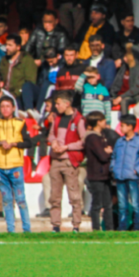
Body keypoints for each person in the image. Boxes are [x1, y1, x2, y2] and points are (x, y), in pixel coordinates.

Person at [0, 96, 33, 233]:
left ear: (13, 108)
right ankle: (10, 229)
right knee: (6, 200)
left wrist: (14, 144)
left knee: (20, 199)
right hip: (0, 167)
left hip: (15, 166)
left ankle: (27, 229)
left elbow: (28, 143)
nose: (5, 109)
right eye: (2, 106)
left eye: (8, 106)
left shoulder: (20, 123)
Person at [47, 91, 87, 233]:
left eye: (58, 104)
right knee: (55, 196)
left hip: (69, 160)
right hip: (55, 160)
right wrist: (53, 143)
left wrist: (67, 147)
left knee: (74, 196)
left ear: (67, 104)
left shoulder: (79, 120)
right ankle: (55, 225)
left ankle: (76, 225)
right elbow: (51, 135)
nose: (56, 106)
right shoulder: (57, 118)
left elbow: (84, 141)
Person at [113, 113, 139, 231]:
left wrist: (136, 170)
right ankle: (122, 229)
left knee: (135, 204)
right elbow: (114, 157)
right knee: (122, 205)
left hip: (133, 178)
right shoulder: (119, 141)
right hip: (120, 177)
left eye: (123, 125)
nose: (120, 128)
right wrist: (113, 168)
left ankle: (137, 228)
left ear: (130, 126)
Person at [83, 111, 116, 232]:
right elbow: (102, 156)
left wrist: (107, 151)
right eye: (103, 120)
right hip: (96, 175)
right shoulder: (92, 138)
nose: (105, 122)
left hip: (105, 175)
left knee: (108, 204)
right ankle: (96, 229)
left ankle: (109, 228)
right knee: (97, 204)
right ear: (98, 122)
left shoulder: (101, 136)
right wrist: (108, 152)